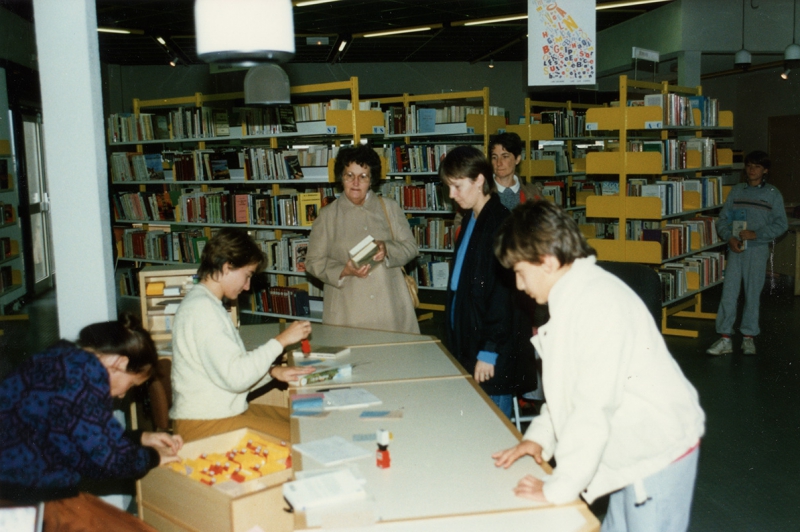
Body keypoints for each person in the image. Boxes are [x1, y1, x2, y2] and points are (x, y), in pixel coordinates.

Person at [491, 201, 705, 532]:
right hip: (625, 444)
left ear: (546, 262)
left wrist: (558, 489)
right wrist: (540, 438)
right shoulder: (571, 294)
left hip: (656, 451)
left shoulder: (596, 305)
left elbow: (591, 409)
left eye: (520, 272)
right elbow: (568, 390)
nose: (519, 285)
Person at [0, 314, 184, 532]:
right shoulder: (86, 374)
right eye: (131, 384)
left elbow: (79, 441)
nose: (123, 395)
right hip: (23, 499)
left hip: (21, 488)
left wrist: (139, 438)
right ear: (121, 362)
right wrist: (154, 456)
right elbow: (109, 460)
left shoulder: (63, 357)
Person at [170, 228, 315, 443]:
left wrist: (272, 372)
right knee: (303, 438)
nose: (247, 287)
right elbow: (236, 378)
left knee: (304, 421)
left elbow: (227, 373)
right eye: (246, 276)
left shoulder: (205, 302)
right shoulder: (203, 310)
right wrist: (281, 341)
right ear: (227, 266)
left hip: (214, 415)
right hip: (203, 425)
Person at [439, 146, 537, 418]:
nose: (451, 195)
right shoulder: (472, 216)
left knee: (494, 425)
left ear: (479, 180)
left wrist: (489, 352)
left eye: (457, 186)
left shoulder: (500, 223)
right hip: (471, 338)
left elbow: (503, 297)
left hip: (490, 349)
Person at [306, 144, 420, 334]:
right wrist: (344, 270)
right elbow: (313, 262)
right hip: (346, 311)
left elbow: (411, 247)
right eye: (349, 175)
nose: (356, 182)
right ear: (341, 177)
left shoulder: (389, 208)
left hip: (389, 308)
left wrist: (387, 249)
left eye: (363, 176)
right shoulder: (327, 216)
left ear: (372, 179)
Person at [706, 150, 788, 356]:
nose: (752, 170)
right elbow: (723, 219)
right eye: (749, 165)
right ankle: (725, 338)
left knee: (752, 294)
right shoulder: (737, 191)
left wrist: (757, 234)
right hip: (736, 249)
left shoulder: (772, 194)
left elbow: (781, 224)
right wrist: (729, 238)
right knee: (729, 294)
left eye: (757, 167)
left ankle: (748, 337)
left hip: (758, 251)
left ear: (765, 170)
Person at [489, 131, 543, 210]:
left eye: (505, 156)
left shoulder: (532, 192)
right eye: (494, 157)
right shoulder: (483, 191)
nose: (498, 163)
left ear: (517, 159)